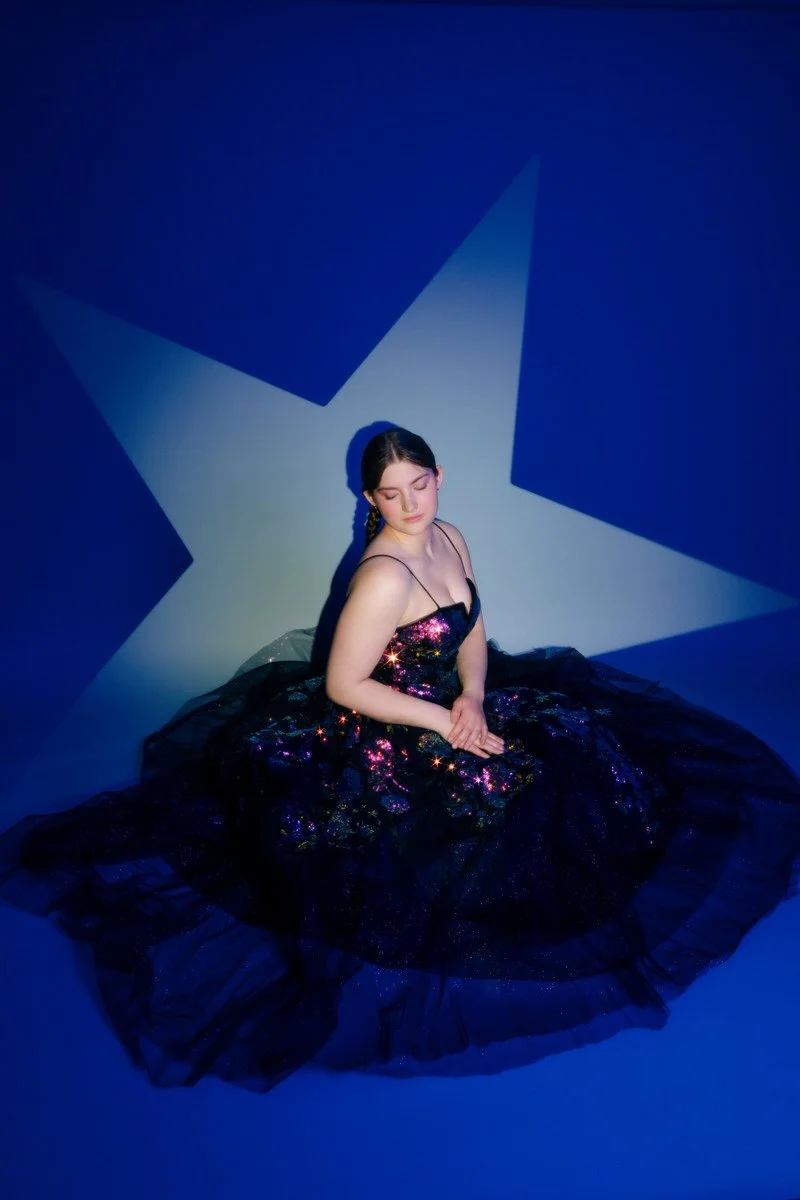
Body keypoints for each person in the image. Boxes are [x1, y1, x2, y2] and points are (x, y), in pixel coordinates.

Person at [1, 425, 799, 1093]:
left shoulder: (448, 536)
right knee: (487, 814)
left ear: (439, 477)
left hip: (449, 705)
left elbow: (475, 631)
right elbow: (346, 686)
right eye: (393, 493)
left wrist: (476, 699)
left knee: (580, 751)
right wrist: (444, 725)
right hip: (386, 726)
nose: (413, 504)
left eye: (422, 483)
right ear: (369, 500)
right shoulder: (381, 576)